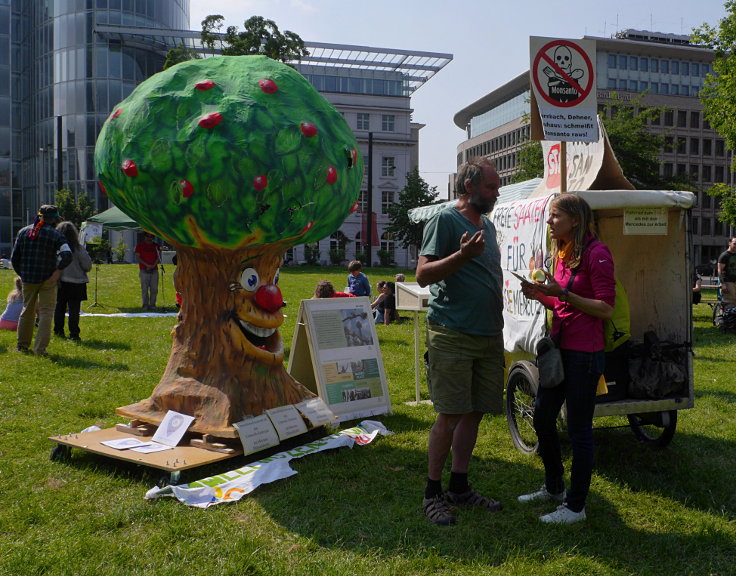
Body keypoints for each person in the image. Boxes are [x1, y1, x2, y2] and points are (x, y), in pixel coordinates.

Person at [415, 157, 504, 526]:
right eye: (490, 187)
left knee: (474, 412)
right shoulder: (444, 219)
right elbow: (422, 274)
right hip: (452, 332)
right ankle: (432, 493)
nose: (496, 193)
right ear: (469, 187)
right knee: (450, 414)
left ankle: (460, 487)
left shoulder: (490, 226)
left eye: (497, 188)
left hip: (488, 333)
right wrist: (462, 255)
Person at [517, 194, 615, 524]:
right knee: (543, 417)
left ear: (575, 219)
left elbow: (605, 308)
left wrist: (562, 293)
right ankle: (554, 486)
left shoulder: (597, 253)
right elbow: (562, 304)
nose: (549, 222)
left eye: (555, 216)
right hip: (559, 350)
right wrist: (540, 294)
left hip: (585, 355)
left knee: (579, 430)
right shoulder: (563, 254)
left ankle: (576, 507)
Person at [10, 204, 72, 355]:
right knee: (45, 313)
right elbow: (67, 256)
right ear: (55, 219)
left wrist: (22, 273)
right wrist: (57, 272)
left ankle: (22, 345)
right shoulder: (56, 235)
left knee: (27, 311)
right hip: (48, 279)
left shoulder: (23, 232)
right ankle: (40, 349)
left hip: (28, 278)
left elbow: (14, 258)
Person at [53, 221, 92, 341]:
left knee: (59, 308)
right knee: (74, 310)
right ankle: (74, 334)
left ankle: (58, 331)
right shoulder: (78, 248)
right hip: (77, 283)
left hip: (60, 282)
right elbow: (87, 265)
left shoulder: (55, 248)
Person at [134, 232, 161, 310]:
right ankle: (145, 305)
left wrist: (153, 265)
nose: (149, 238)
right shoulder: (140, 246)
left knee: (154, 289)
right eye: (147, 236)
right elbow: (138, 257)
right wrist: (147, 265)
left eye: (151, 236)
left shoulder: (156, 246)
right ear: (145, 236)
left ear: (153, 237)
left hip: (154, 269)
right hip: (144, 269)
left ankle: (153, 305)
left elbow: (158, 257)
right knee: (144, 288)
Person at [717, 237, 736, 309]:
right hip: (728, 282)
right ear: (729, 243)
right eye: (735, 244)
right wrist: (723, 284)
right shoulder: (724, 255)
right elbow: (720, 271)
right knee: (730, 303)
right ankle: (728, 319)